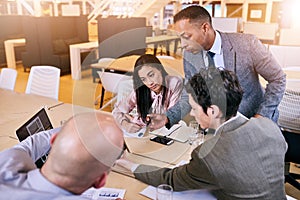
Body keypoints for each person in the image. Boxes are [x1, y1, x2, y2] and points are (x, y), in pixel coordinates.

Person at [116, 68, 287, 200]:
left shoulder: (209, 156)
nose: (192, 113)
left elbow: (170, 179)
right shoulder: (270, 127)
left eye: (194, 108)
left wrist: (129, 165)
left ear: (212, 111)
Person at [148, 5, 286, 130]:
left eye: (187, 36)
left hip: (253, 123)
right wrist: (168, 117)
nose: (183, 44)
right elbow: (190, 93)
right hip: (218, 129)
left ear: (205, 28)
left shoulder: (247, 44)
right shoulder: (189, 56)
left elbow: (278, 79)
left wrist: (261, 116)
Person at [0, 112, 124, 199]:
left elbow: (30, 144)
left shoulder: (6, 162)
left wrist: (74, 131)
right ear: (100, 181)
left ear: (53, 141)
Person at [112, 54, 183, 137]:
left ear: (159, 69)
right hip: (141, 133)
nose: (149, 83)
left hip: (164, 134)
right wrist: (125, 124)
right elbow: (117, 110)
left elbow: (172, 114)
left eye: (151, 75)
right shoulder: (141, 90)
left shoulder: (174, 83)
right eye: (143, 79)